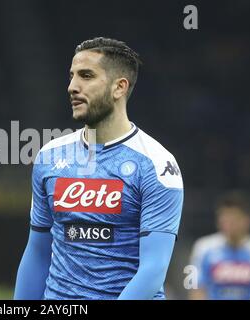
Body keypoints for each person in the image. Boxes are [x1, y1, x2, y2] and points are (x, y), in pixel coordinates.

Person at [14, 37, 184, 300]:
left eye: (86, 76)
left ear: (119, 87)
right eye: (71, 76)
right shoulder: (49, 157)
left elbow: (153, 270)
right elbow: (37, 252)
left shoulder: (158, 165)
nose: (72, 87)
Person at [189, 191, 250, 300]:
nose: (228, 223)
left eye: (233, 218)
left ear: (247, 220)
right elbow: (195, 288)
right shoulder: (203, 248)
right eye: (224, 217)